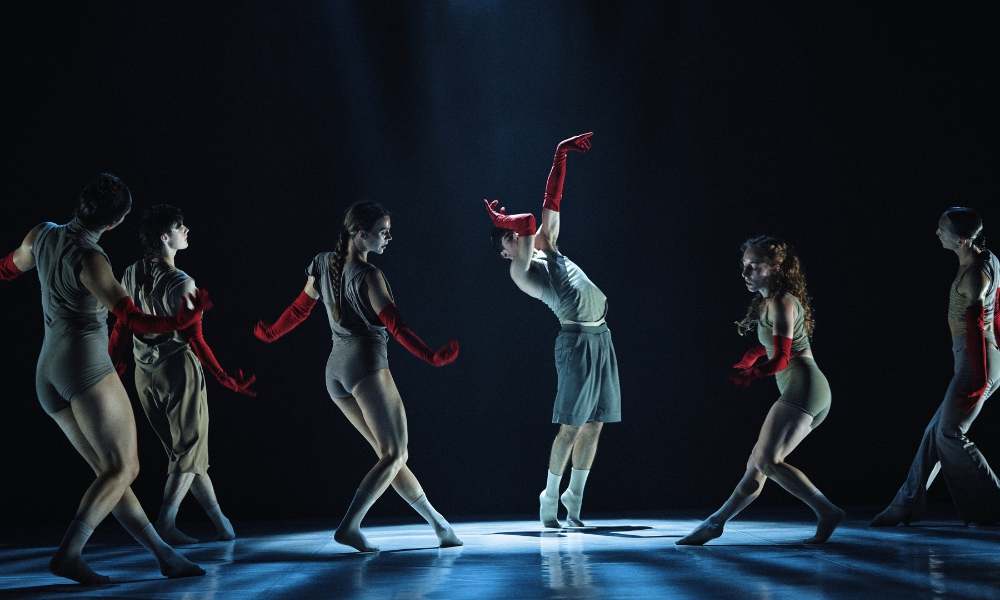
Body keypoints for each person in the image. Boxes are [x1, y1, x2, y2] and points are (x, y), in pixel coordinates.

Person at [0, 174, 206, 583]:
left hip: (48, 372)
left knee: (108, 472)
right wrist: (182, 319)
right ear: (114, 223)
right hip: (83, 368)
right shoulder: (92, 259)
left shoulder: (41, 234)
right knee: (123, 468)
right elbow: (132, 319)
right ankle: (69, 554)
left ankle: (163, 555)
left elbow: (7, 268)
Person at [253, 200, 462, 552]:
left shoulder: (323, 262)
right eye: (383, 232)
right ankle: (349, 527)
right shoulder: (370, 275)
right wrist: (430, 356)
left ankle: (440, 526)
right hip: (365, 366)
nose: (389, 237)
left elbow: (299, 309)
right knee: (395, 454)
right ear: (361, 234)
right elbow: (396, 327)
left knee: (389, 456)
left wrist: (271, 333)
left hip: (335, 372)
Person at [484, 132, 621, 529]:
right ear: (507, 251)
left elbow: (550, 203)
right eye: (509, 239)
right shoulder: (520, 270)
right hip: (576, 341)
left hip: (601, 338)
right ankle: (549, 495)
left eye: (512, 235)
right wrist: (502, 221)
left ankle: (574, 496)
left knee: (596, 424)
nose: (517, 237)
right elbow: (526, 222)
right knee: (572, 424)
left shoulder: (550, 248)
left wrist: (560, 154)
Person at [676, 236, 844, 545]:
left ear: (775, 268)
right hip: (804, 387)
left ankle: (827, 510)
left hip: (803, 385)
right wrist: (753, 356)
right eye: (744, 266)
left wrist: (754, 372)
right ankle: (716, 523)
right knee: (757, 464)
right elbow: (773, 344)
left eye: (754, 267)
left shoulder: (781, 301)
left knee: (767, 461)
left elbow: (781, 358)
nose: (745, 273)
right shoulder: (770, 302)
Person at [109, 204, 256, 545]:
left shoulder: (130, 272)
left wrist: (112, 365)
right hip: (177, 371)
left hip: (145, 375)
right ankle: (166, 522)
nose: (186, 230)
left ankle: (222, 525)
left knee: (185, 456)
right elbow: (195, 339)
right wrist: (224, 377)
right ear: (164, 237)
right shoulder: (181, 281)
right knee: (188, 452)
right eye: (180, 227)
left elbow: (120, 325)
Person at [871, 208, 1000, 526]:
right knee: (935, 432)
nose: (937, 233)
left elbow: (977, 327)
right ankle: (906, 502)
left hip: (974, 361)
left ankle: (994, 505)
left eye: (942, 229)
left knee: (949, 432)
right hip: (982, 356)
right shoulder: (987, 259)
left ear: (962, 239)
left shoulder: (974, 276)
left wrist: (980, 380)